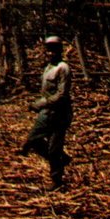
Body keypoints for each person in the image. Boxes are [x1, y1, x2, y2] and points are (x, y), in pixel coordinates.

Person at [20, 36, 73, 190]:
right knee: (32, 141)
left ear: (60, 51)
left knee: (54, 148)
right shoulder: (48, 68)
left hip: (60, 113)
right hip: (47, 112)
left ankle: (56, 180)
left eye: (54, 50)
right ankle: (62, 159)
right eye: (48, 50)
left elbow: (62, 95)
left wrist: (40, 104)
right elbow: (46, 92)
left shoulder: (63, 68)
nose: (50, 53)